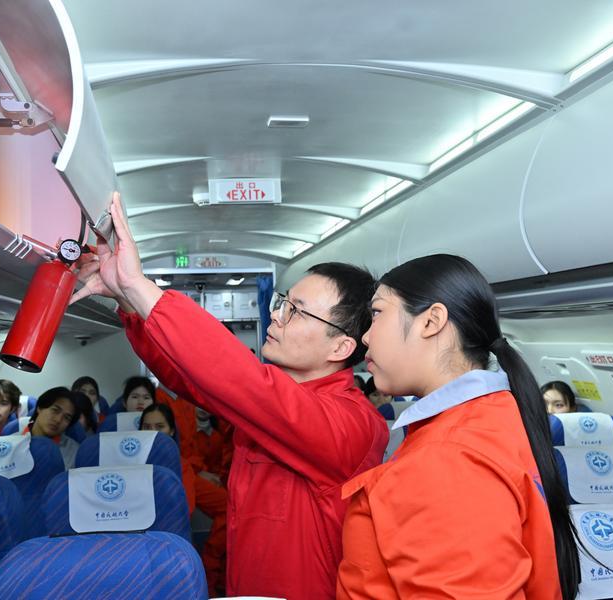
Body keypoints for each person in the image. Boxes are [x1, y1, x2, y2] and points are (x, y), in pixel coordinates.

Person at [71, 193, 388, 600]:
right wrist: (127, 301)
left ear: (340, 347)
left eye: (296, 311)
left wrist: (139, 285)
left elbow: (242, 379)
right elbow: (191, 378)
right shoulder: (273, 402)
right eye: (283, 303)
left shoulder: (355, 424)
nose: (276, 315)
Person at [336, 254, 580, 599]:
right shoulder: (497, 414)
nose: (365, 337)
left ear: (431, 321)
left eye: (377, 313)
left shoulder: (445, 459)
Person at [140, 403, 228, 597]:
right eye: (146, 427)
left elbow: (185, 510)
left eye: (159, 427)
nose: (153, 433)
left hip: (168, 540)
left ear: (171, 431)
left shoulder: (181, 466)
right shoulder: (127, 465)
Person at [25, 387, 81, 469]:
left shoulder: (74, 453)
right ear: (40, 408)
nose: (58, 420)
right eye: (55, 410)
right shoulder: (13, 441)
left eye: (67, 418)